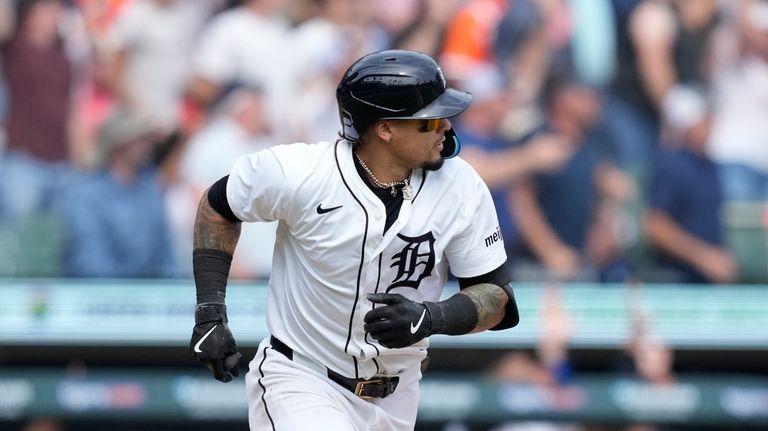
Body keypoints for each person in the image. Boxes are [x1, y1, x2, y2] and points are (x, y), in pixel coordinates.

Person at [188, 49, 520, 431]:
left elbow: (497, 298)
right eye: (429, 121)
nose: (446, 127)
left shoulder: (462, 186)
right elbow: (218, 206)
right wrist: (210, 312)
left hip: (398, 396)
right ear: (385, 128)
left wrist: (433, 317)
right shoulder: (299, 173)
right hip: (303, 378)